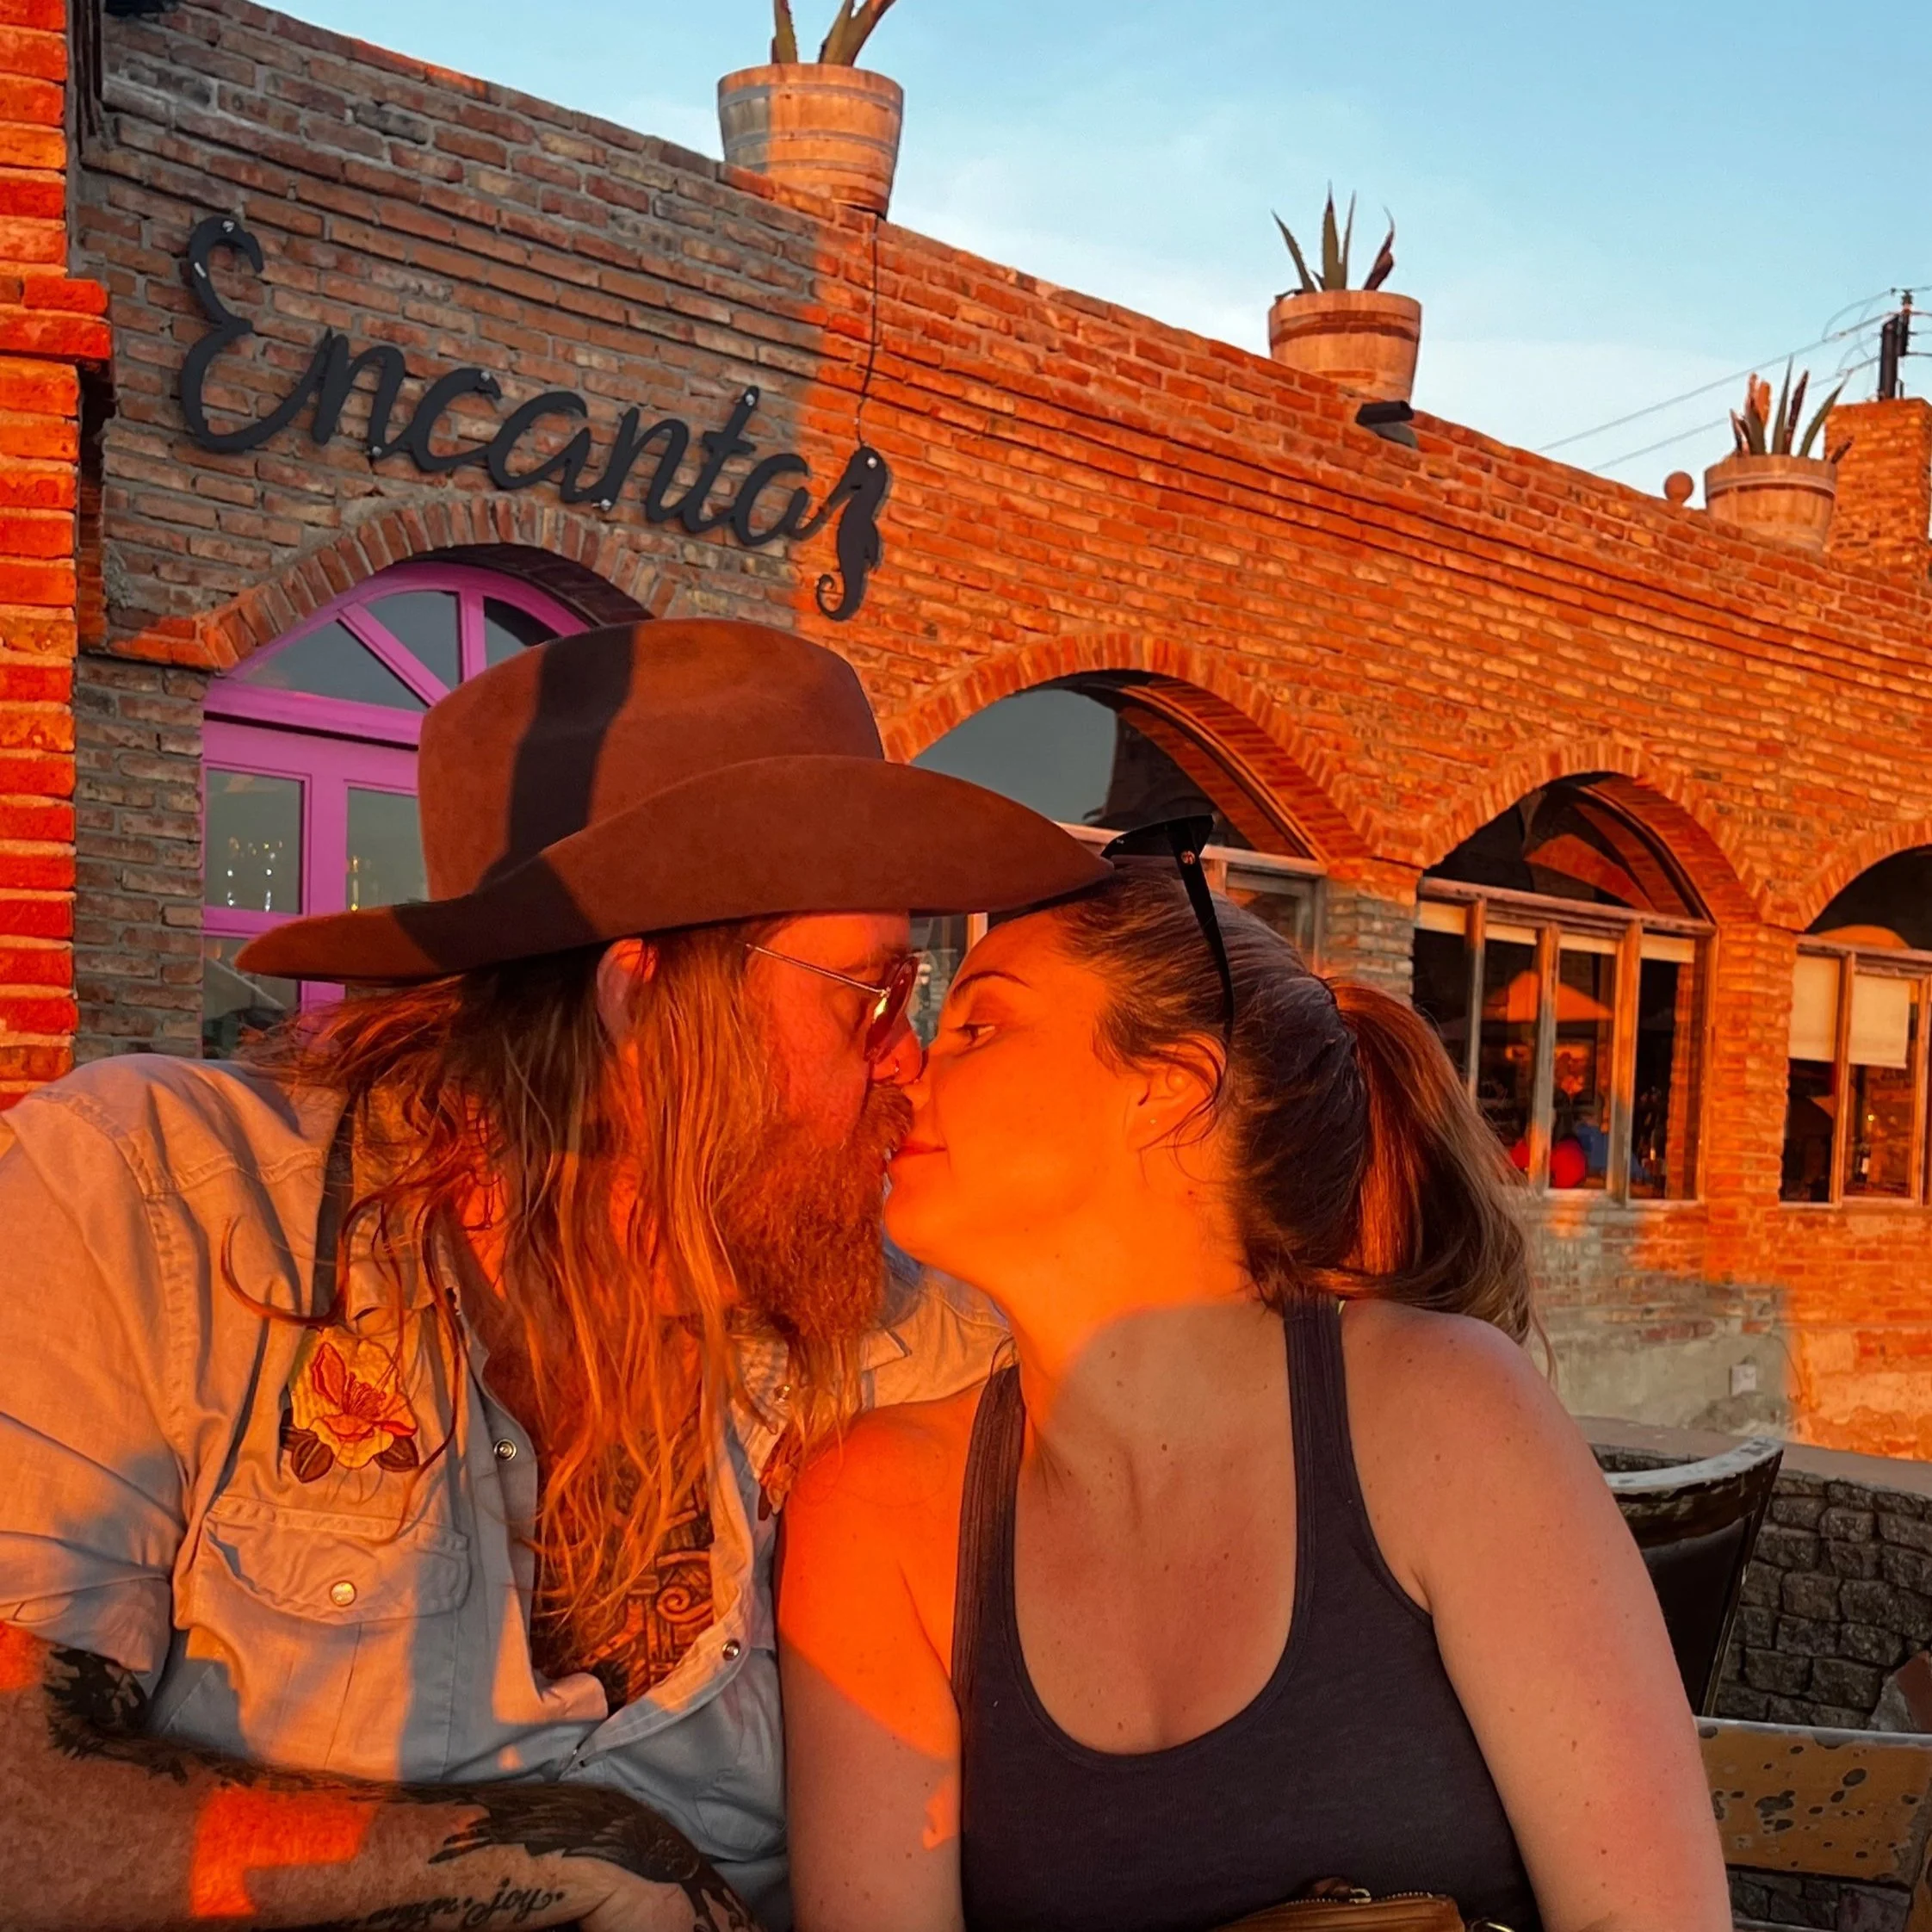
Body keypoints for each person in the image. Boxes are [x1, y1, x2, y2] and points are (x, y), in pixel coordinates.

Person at [0, 618, 1106, 1932]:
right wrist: (559, 1869)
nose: (906, 1060)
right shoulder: (161, 1202)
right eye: (868, 996)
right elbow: (18, 1806)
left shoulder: (895, 1335)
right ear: (641, 1004)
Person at [779, 836, 1732, 1932]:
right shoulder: (874, 1511)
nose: (900, 1066)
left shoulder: (1441, 1417)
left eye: (979, 1026)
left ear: (1168, 1091)